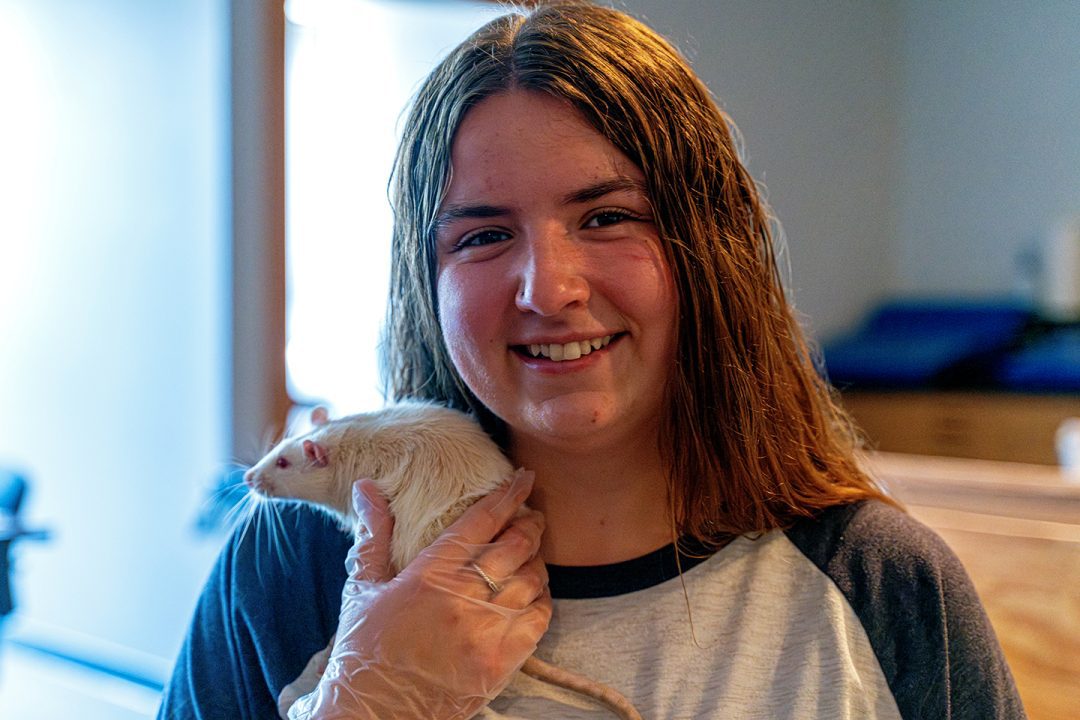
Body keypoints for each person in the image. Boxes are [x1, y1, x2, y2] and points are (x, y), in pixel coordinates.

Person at [158, 3, 1026, 718]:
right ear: (427, 285)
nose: (549, 288)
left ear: (708, 248)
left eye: (607, 217)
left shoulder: (883, 590)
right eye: (485, 235)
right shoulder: (294, 568)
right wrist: (365, 703)